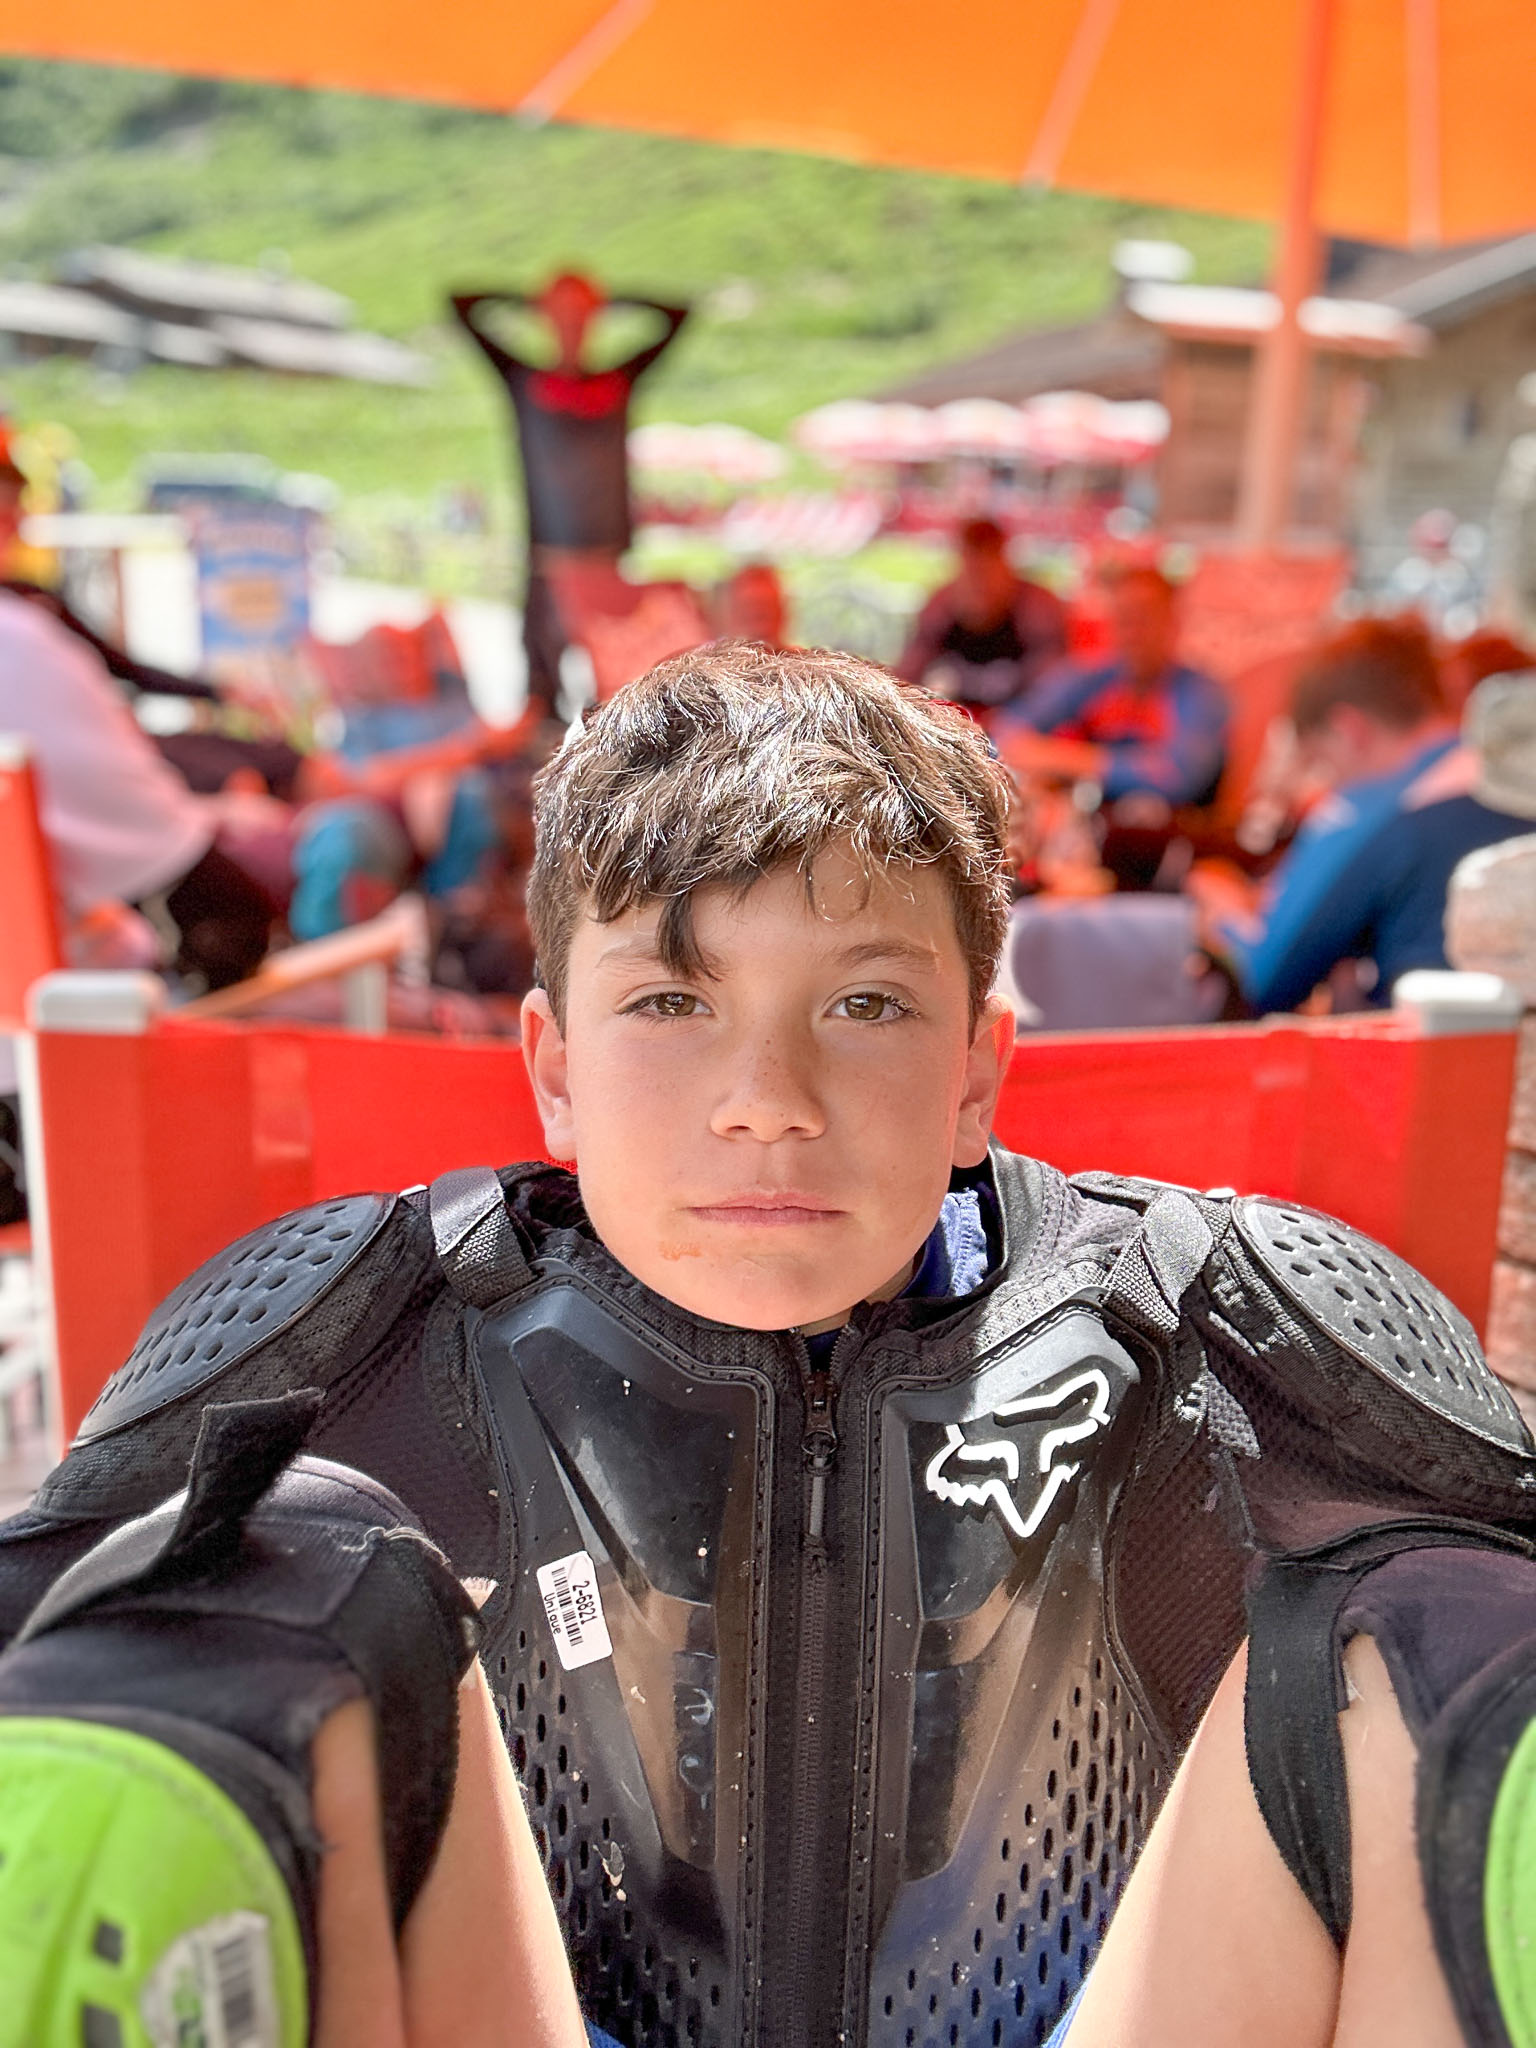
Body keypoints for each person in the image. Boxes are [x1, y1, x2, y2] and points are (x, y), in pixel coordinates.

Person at [2, 645, 1532, 2048]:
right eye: (672, 1000)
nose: (767, 1103)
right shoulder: (338, 1326)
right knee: (212, 1607)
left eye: (865, 1003)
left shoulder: (1249, 1322)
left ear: (978, 1071)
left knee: (1465, 1647)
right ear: (552, 1068)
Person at [0, 584, 278, 990]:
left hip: (133, 842)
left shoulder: (24, 617)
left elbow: (123, 674)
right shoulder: (21, 627)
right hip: (138, 843)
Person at [449, 272, 690, 720]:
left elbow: (678, 315)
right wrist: (530, 299)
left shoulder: (617, 381)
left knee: (615, 674)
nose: (571, 323)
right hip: (547, 551)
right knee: (540, 677)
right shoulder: (524, 379)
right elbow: (461, 303)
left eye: (581, 314)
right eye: (561, 314)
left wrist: (610, 300)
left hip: (606, 551)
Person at [1202, 616, 1463, 1014]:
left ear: (1349, 730)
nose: (1325, 788)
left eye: (1323, 763)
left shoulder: (1371, 810)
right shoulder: (1499, 773)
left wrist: (1225, 909)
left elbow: (1263, 978)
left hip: (1418, 1042)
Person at [996, 564, 1228, 809]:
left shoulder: (1201, 694)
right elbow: (1006, 734)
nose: (1134, 633)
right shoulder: (1088, 677)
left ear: (1173, 623)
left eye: (1145, 618)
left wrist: (1062, 760)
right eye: (1124, 619)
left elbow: (1178, 776)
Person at [895, 516, 1067, 722]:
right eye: (974, 571)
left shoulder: (1036, 610)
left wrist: (1009, 723)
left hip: (1023, 725)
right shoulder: (939, 609)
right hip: (962, 723)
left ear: (1005, 565)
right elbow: (903, 681)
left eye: (988, 569)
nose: (981, 581)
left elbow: (1055, 692)